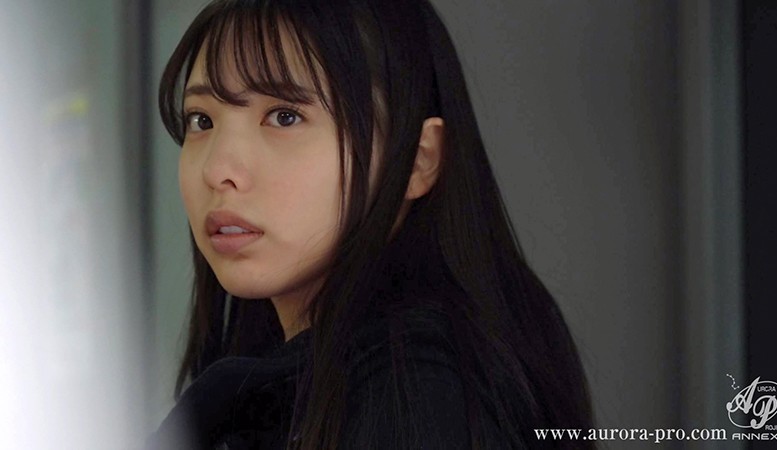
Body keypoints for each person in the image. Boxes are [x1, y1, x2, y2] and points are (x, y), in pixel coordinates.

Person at [148, 0, 594, 448]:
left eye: (285, 116)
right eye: (201, 120)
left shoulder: (418, 397)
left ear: (417, 160)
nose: (218, 170)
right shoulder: (274, 389)